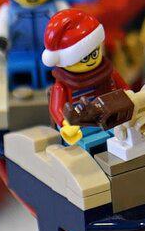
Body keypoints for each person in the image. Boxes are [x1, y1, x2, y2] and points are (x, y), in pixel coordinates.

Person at [42, 9, 128, 149]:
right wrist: (65, 123)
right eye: (84, 58)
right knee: (86, 146)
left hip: (108, 117)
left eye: (95, 54)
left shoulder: (108, 72)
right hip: (79, 125)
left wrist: (129, 98)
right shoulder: (63, 85)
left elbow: (125, 89)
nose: (91, 61)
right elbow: (56, 108)